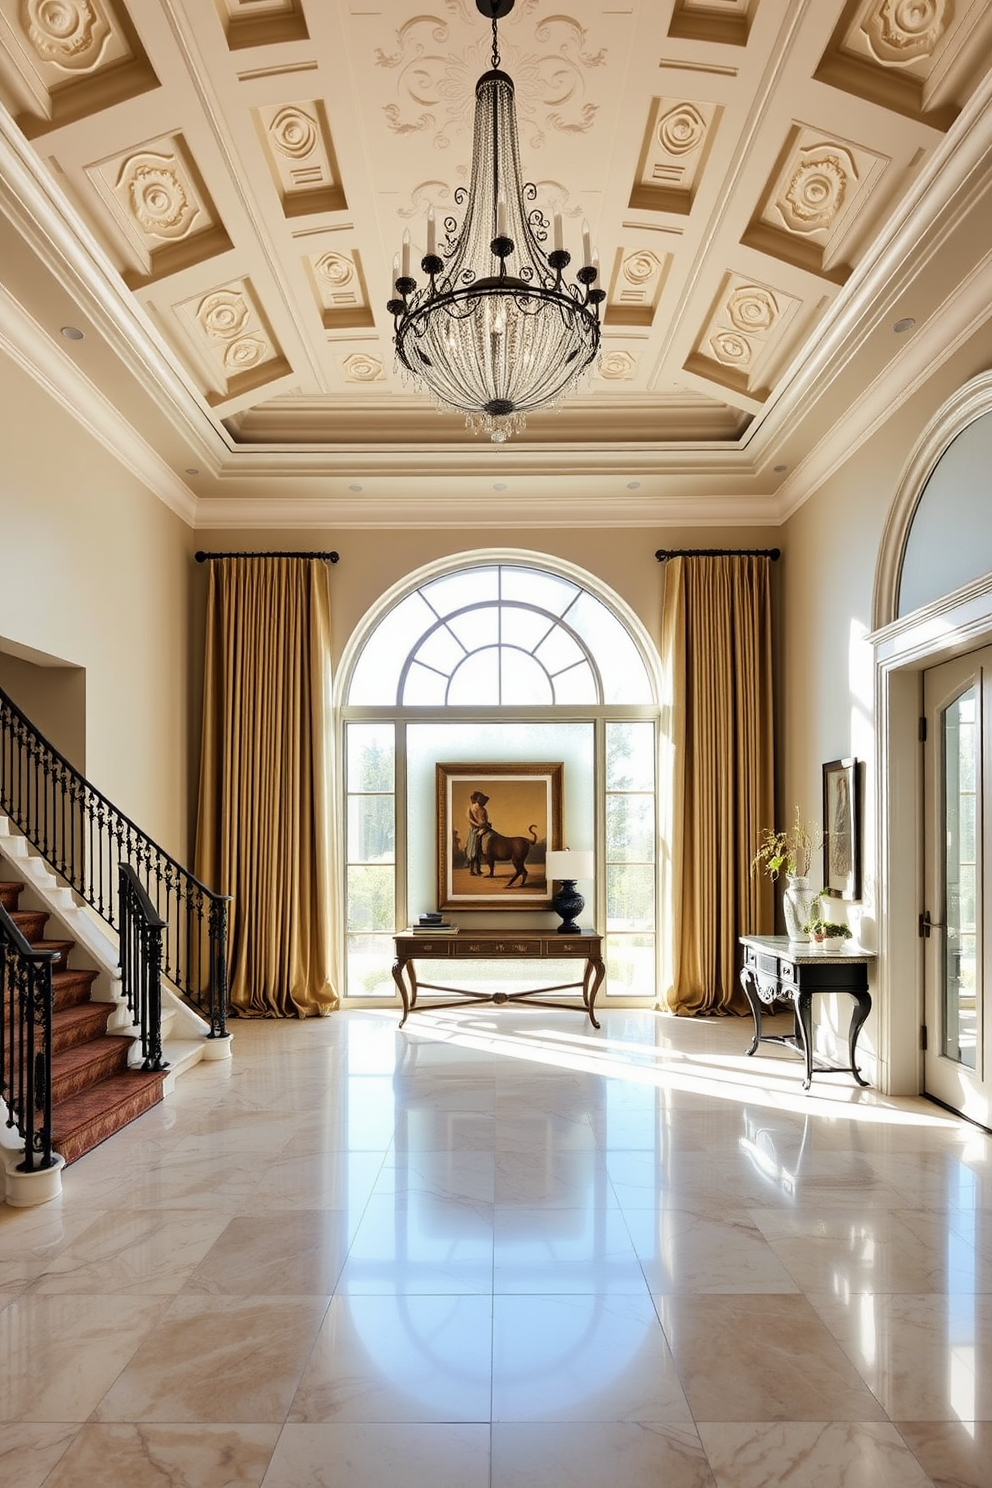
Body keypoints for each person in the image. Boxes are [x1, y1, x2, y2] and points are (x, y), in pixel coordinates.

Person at [465, 790, 492, 876]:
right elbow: (470, 820)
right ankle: (471, 869)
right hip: (475, 830)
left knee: (480, 849)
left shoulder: (484, 809)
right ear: (478, 799)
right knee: (474, 849)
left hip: (484, 828)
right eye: (482, 799)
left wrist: (487, 824)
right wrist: (479, 826)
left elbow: (485, 820)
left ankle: (478, 869)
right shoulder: (471, 808)